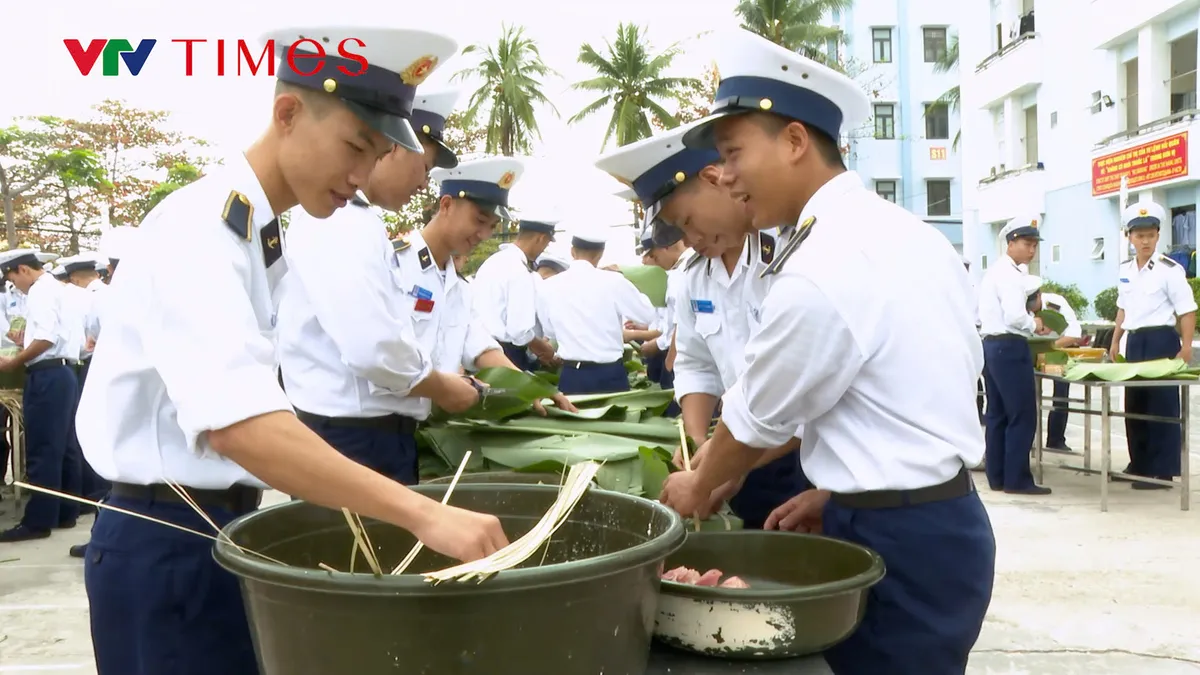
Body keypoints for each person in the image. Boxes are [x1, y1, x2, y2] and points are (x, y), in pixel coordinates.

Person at [73, 27, 510, 675]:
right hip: (166, 545)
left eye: (376, 154)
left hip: (211, 531)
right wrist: (423, 514)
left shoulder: (260, 234)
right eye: (354, 146)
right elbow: (241, 425)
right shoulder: (201, 228)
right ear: (287, 113)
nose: (360, 176)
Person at [657, 30, 995, 675]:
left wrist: (700, 482)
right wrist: (843, 495)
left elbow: (758, 416)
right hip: (926, 516)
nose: (725, 175)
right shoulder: (902, 232)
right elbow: (908, 397)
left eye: (732, 153)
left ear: (793, 142)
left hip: (907, 537)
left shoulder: (826, 261)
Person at [596, 122, 810, 529]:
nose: (691, 239)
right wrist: (696, 440)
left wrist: (719, 465)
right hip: (730, 451)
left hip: (799, 457)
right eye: (680, 231)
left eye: (689, 221)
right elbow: (696, 363)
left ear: (716, 180)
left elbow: (798, 390)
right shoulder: (696, 274)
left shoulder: (790, 256)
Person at [276, 85, 490, 484]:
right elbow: (373, 349)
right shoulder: (340, 223)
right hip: (352, 439)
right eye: (424, 167)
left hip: (372, 436)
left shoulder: (360, 223)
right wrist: (443, 388)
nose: (424, 184)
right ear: (393, 147)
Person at [1110, 201, 1196, 489]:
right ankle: (1140, 463)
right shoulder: (1125, 270)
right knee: (1135, 404)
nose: (1145, 241)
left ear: (1158, 235)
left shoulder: (1169, 270)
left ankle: (1162, 470)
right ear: (1129, 237)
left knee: (1161, 406)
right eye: (1139, 235)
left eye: (1150, 235)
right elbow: (1123, 309)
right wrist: (1115, 340)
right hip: (1136, 341)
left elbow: (1186, 310)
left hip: (1161, 340)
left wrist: (1186, 347)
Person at [0, 250, 82, 543]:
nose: (15, 286)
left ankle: (38, 521)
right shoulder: (59, 289)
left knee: (43, 448)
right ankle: (65, 511)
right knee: (65, 447)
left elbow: (46, 338)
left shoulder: (39, 291)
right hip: (64, 372)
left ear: (22, 269)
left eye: (12, 278)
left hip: (47, 374)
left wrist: (15, 360)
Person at [977, 215, 1053, 496]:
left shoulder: (997, 271)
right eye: (1026, 244)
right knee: (1022, 414)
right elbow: (1014, 316)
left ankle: (997, 476)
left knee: (998, 414)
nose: (1031, 250)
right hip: (1009, 345)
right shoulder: (1010, 275)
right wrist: (1036, 324)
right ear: (1010, 243)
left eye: (1034, 245)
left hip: (992, 345)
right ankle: (1017, 479)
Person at [536, 230, 658, 394]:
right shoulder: (615, 281)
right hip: (610, 374)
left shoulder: (548, 286)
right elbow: (647, 315)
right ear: (600, 254)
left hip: (572, 375)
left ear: (572, 251)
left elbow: (550, 331)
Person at [471, 210, 558, 372]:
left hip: (478, 349)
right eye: (546, 243)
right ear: (541, 238)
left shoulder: (493, 261)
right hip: (506, 353)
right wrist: (545, 350)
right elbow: (519, 331)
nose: (543, 249)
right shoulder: (519, 270)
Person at [1037, 287, 1083, 453]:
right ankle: (1029, 441)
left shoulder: (1055, 303)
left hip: (1057, 353)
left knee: (1060, 395)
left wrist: (1048, 348)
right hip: (1030, 353)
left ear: (1039, 296)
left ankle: (1056, 439)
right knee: (1029, 396)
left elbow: (1074, 333)